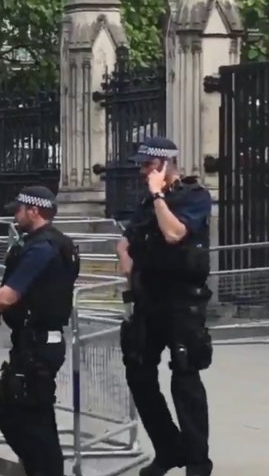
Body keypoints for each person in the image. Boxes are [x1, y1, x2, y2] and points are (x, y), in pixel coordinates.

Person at [116, 137, 214, 476]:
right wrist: (127, 263)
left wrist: (159, 195)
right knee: (138, 372)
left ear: (164, 163)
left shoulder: (194, 197)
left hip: (182, 300)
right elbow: (125, 240)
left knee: (185, 378)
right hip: (149, 299)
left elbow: (175, 234)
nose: (142, 170)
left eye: (147, 164)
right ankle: (170, 448)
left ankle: (198, 463)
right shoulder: (146, 201)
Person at [0, 186, 80, 476]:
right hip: (36, 342)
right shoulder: (56, 243)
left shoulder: (41, 247)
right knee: (33, 415)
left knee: (20, 413)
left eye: (19, 209)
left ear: (34, 210)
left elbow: (9, 295)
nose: (15, 214)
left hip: (38, 344)